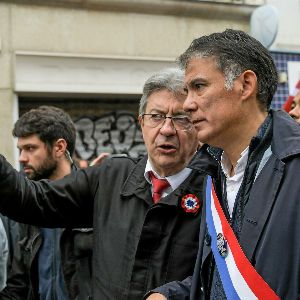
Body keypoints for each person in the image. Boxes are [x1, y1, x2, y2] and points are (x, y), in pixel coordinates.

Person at [0, 68, 207, 299]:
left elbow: (221, 276)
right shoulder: (109, 178)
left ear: (197, 128)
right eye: (156, 116)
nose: (167, 129)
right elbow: (31, 199)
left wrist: (174, 295)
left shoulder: (215, 192)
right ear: (141, 124)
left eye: (180, 118)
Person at [146, 29, 300, 300]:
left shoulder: (295, 165)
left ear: (245, 85)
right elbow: (225, 275)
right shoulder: (212, 172)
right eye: (187, 91)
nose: (188, 104)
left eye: (199, 87)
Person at [0, 105, 93, 300]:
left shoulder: (93, 201)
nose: (22, 158)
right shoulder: (28, 208)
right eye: (20, 150)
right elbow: (20, 282)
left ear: (59, 147)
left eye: (30, 148)